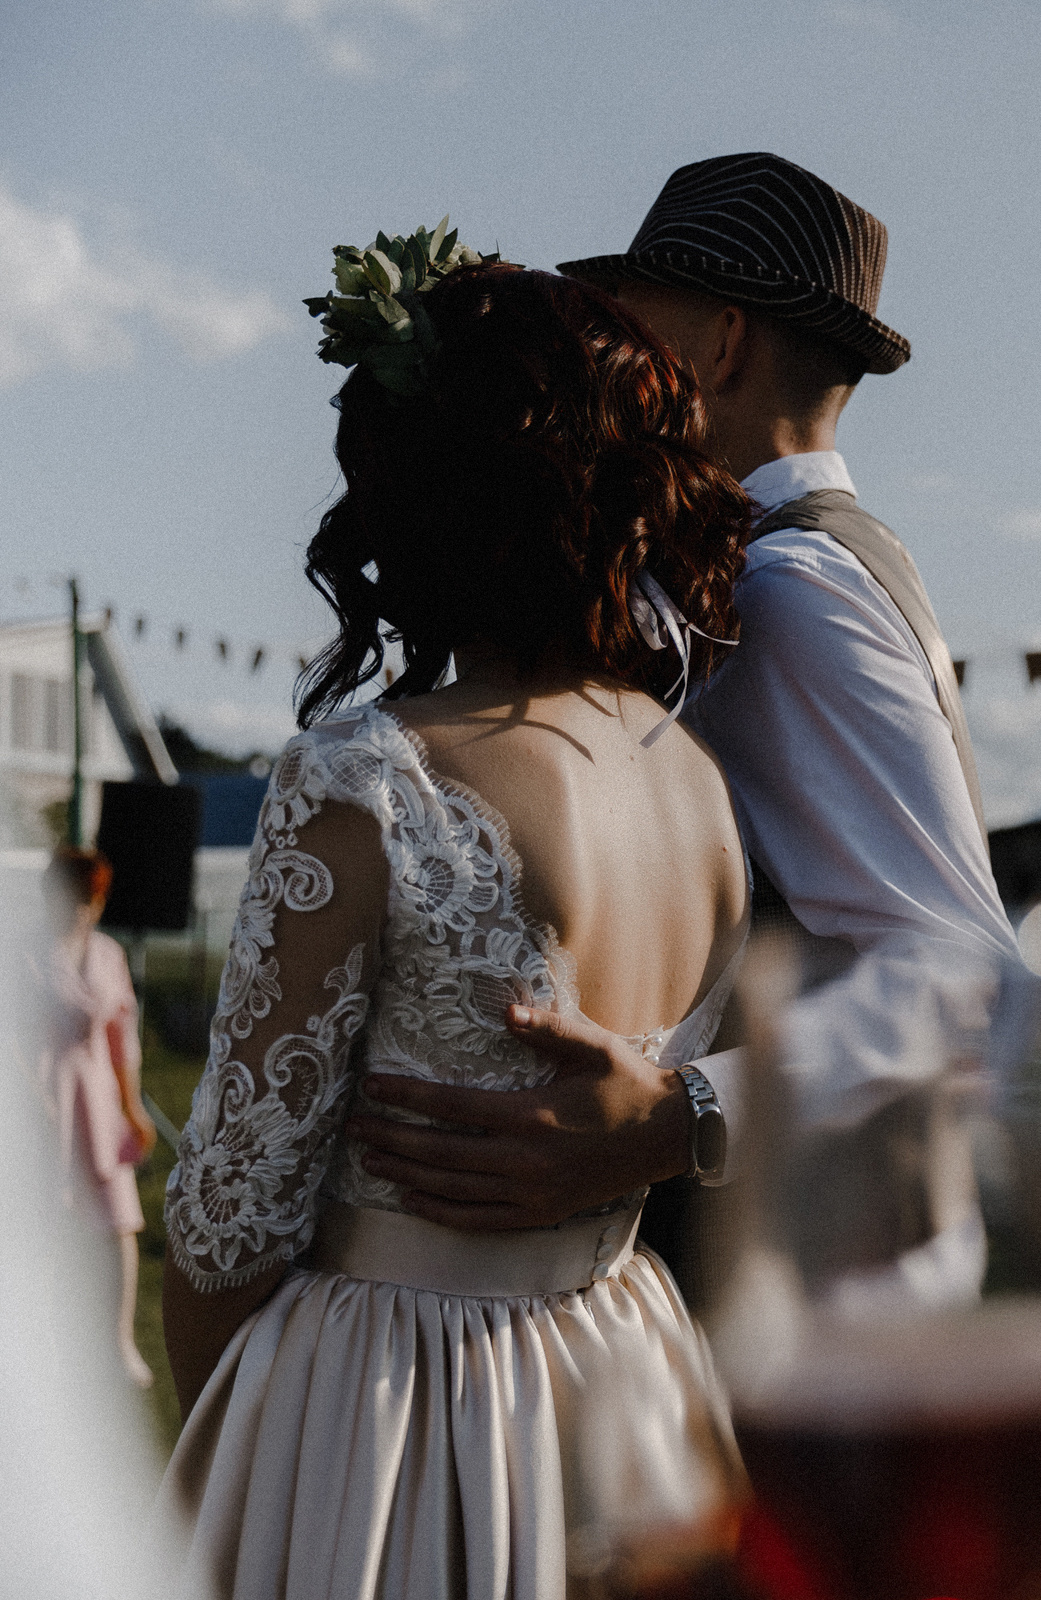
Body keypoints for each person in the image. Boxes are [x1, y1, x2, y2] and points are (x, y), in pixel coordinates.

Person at [160, 244, 753, 1598]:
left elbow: (230, 1224)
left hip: (391, 1416)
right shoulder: (697, 781)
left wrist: (227, 1460)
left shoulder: (370, 778)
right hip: (626, 1367)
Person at [345, 153, 1013, 1286]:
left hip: (829, 1271)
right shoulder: (804, 563)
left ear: (721, 345)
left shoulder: (785, 589)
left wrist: (679, 1113)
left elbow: (962, 974)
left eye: (629, 316)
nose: (604, 351)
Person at [37, 846, 156, 1388]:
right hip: (45, 1098)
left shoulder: (108, 954)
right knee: (47, 1225)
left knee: (118, 1221)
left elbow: (121, 1039)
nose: (78, 908)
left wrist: (133, 1108)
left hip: (98, 1101)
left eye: (88, 899)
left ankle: (118, 1343)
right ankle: (43, 1349)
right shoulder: (23, 952)